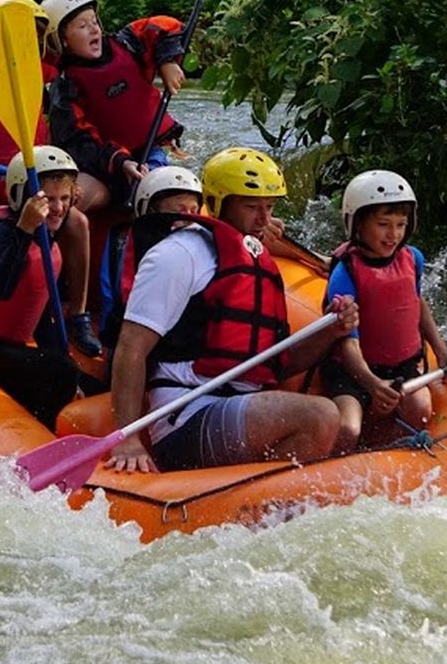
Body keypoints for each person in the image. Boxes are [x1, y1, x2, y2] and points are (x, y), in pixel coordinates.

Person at [105, 147, 356, 473]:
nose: (265, 219)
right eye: (252, 207)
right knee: (320, 415)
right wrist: (127, 438)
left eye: (269, 207)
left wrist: (331, 331)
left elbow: (277, 364)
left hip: (239, 409)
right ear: (219, 203)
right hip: (185, 415)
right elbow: (131, 347)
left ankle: (258, 506)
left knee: (337, 426)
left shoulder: (257, 261)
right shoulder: (178, 253)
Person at [0, 0, 102, 356]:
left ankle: (79, 314)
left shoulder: (49, 86)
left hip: (35, 183)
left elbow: (55, 141)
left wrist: (63, 186)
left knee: (77, 222)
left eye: (35, 40)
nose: (29, 48)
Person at [0, 146, 102, 427]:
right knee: (59, 371)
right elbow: (3, 288)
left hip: (7, 345)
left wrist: (62, 357)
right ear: (21, 197)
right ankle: (39, 431)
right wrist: (24, 230)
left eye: (65, 198)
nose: (59, 208)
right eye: (48, 199)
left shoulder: (48, 241)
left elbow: (41, 316)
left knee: (78, 376)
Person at [320, 169, 447, 453]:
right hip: (352, 373)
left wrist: (441, 349)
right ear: (358, 224)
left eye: (401, 225)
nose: (394, 234)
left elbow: (416, 305)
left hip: (403, 368)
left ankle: (395, 451)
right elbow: (347, 341)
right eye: (384, 224)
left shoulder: (414, 259)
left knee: (422, 410)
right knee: (347, 430)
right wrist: (373, 384)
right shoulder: (344, 273)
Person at [42, 0, 187, 212]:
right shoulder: (65, 87)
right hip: (103, 168)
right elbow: (79, 142)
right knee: (69, 205)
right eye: (82, 26)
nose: (93, 30)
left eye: (94, 22)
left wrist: (167, 61)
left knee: (155, 189)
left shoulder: (128, 44)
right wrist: (120, 162)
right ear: (63, 40)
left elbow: (165, 26)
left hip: (148, 152)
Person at [97, 165, 204, 347]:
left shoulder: (201, 243)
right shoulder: (121, 242)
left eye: (194, 211)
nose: (188, 220)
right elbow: (111, 295)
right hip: (133, 332)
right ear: (148, 208)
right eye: (178, 211)